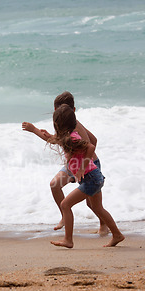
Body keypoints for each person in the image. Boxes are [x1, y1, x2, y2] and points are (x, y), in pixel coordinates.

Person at [35, 105, 124, 248]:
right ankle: (117, 235)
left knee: (65, 205)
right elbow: (56, 140)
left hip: (91, 179)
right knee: (98, 208)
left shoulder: (73, 137)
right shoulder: (68, 137)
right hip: (94, 177)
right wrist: (36, 131)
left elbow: (90, 146)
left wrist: (83, 167)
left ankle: (68, 240)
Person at [22, 91, 109, 235]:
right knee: (54, 184)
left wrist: (34, 130)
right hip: (73, 165)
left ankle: (104, 224)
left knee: (92, 204)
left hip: (87, 166)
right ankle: (64, 215)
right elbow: (93, 140)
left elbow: (88, 144)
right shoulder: (67, 125)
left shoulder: (75, 126)